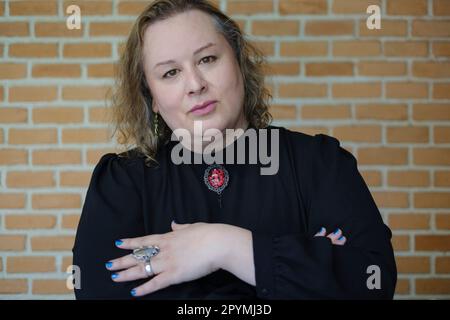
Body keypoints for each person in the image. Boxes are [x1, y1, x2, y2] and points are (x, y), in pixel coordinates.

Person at [72, 0, 397, 299]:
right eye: (171, 72)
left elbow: (372, 282)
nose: (195, 84)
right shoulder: (122, 182)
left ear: (239, 62)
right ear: (153, 98)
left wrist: (223, 246)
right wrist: (302, 263)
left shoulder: (319, 163)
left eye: (207, 59)